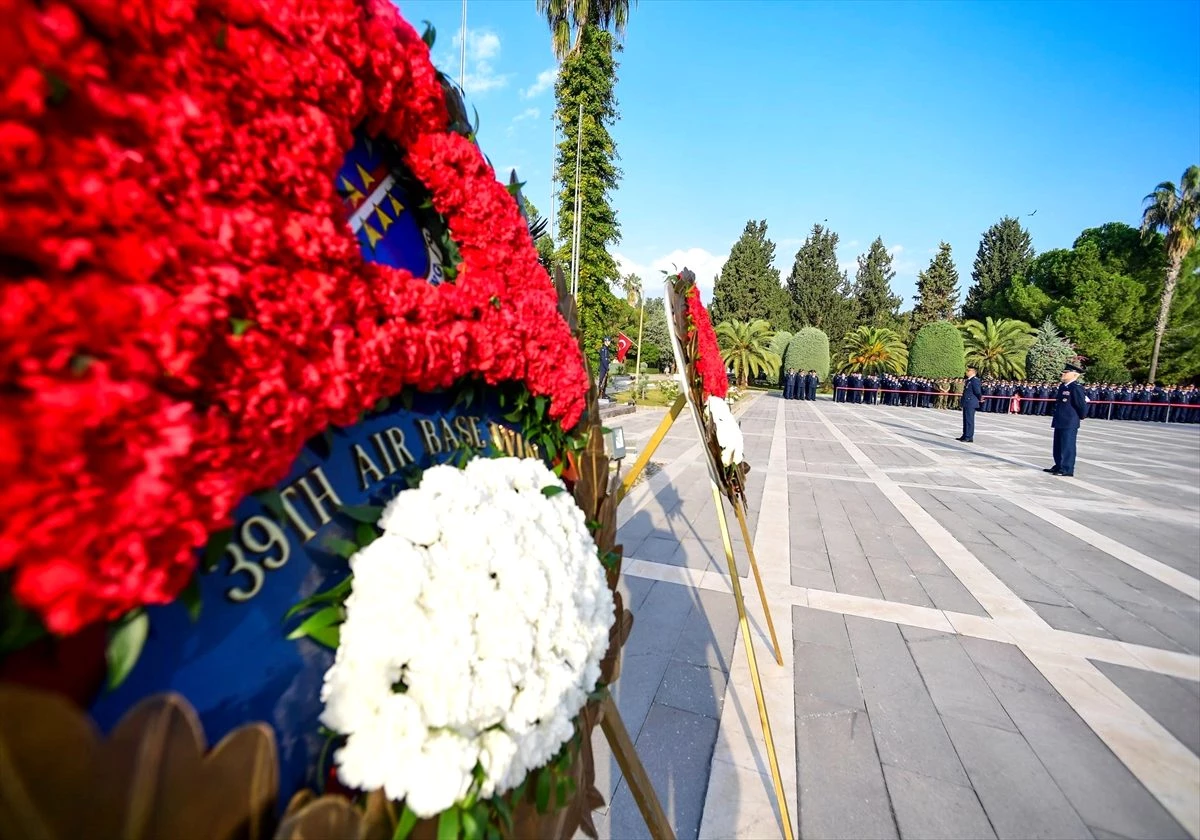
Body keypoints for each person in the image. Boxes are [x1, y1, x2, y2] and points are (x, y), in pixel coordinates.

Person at [1045, 362, 1088, 477]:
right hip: (1060, 419)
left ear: (1074, 375)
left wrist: (1081, 416)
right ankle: (1059, 465)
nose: (1063, 374)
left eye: (1066, 372)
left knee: (1067, 445)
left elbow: (1081, 405)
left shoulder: (1076, 388)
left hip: (1069, 421)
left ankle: (1067, 469)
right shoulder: (1063, 386)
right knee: (1058, 445)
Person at [958, 366, 982, 442]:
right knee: (965, 419)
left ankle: (969, 437)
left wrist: (979, 398)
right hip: (967, 402)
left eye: (968, 371)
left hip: (971, 402)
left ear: (972, 372)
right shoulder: (969, 380)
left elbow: (977, 391)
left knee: (969, 420)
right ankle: (965, 435)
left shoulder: (975, 380)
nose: (966, 372)